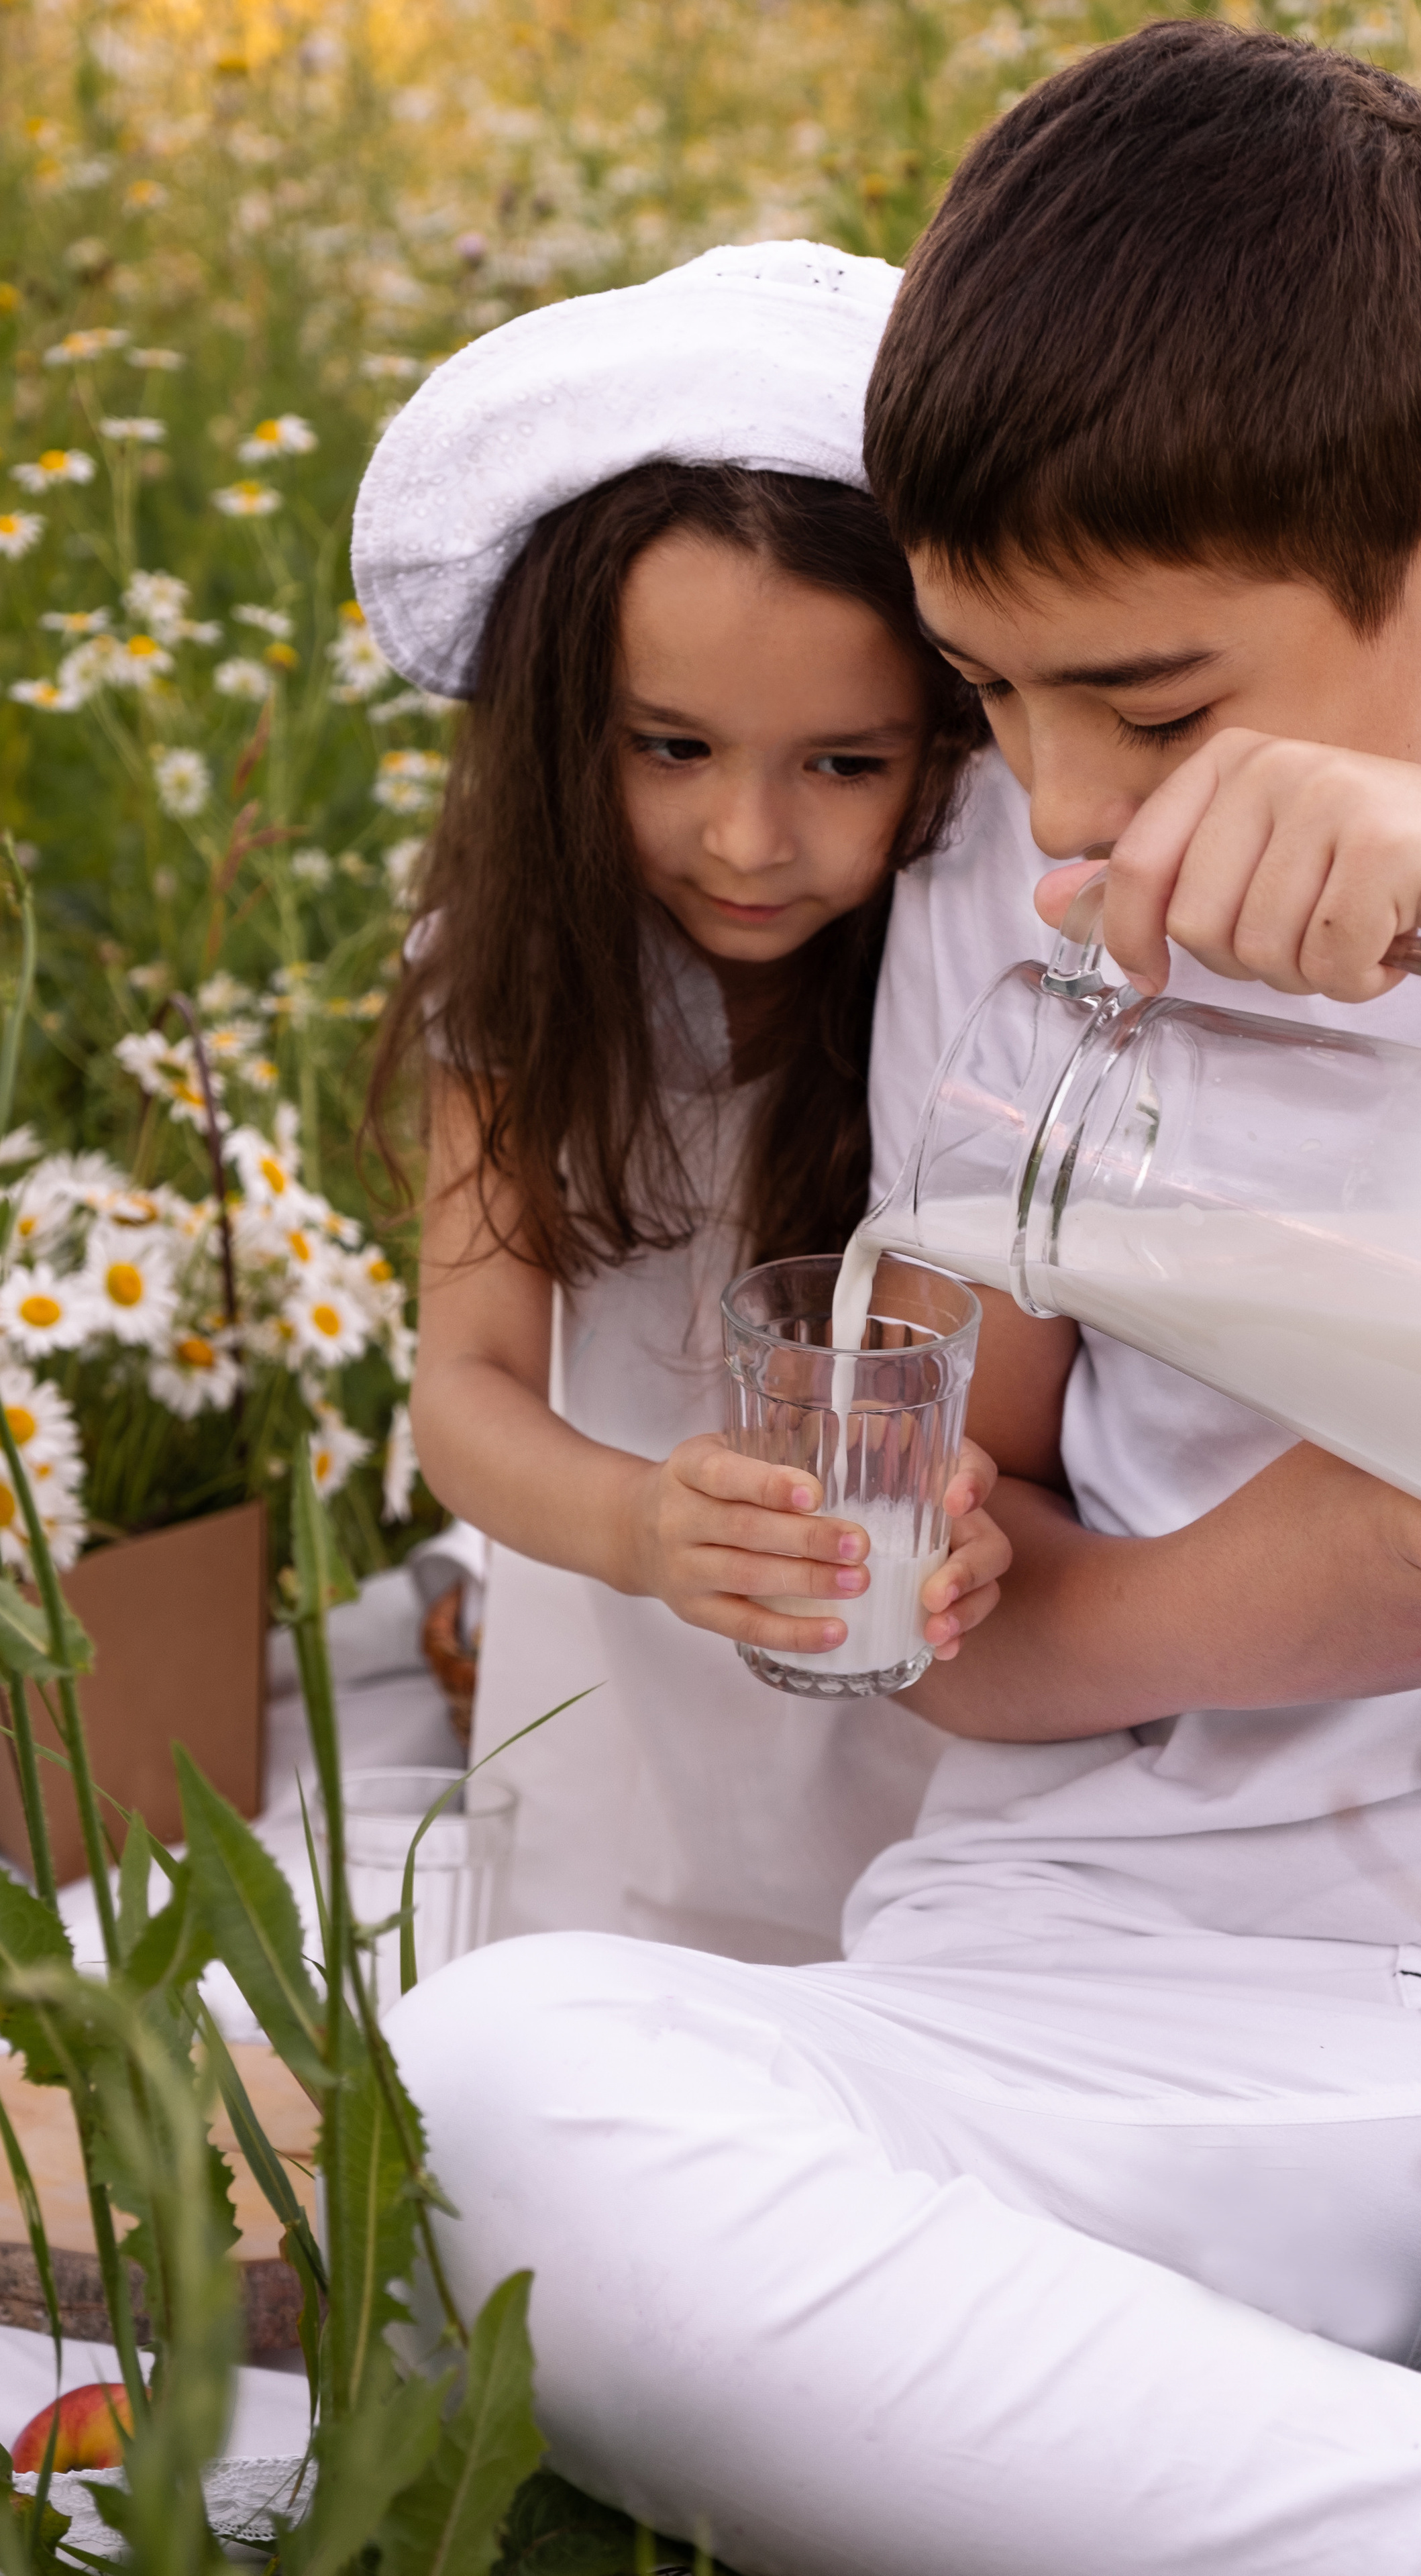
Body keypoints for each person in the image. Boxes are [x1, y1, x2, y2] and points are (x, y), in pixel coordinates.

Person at [388, 32, 1421, 2575]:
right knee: (499, 2087)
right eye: (991, 696)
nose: (1065, 804)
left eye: (1152, 704)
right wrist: (1302, 1600)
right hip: (1133, 2008)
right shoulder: (1004, 885)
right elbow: (947, 1612)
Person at [358, 243, 1003, 1963]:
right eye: (671, 748)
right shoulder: (525, 973)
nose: (747, 840)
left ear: (955, 738)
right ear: (573, 723)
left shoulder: (979, 993)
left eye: (844, 764)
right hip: (624, 1684)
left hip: (932, 1716)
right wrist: (638, 1525)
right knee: (601, 2042)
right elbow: (469, 1386)